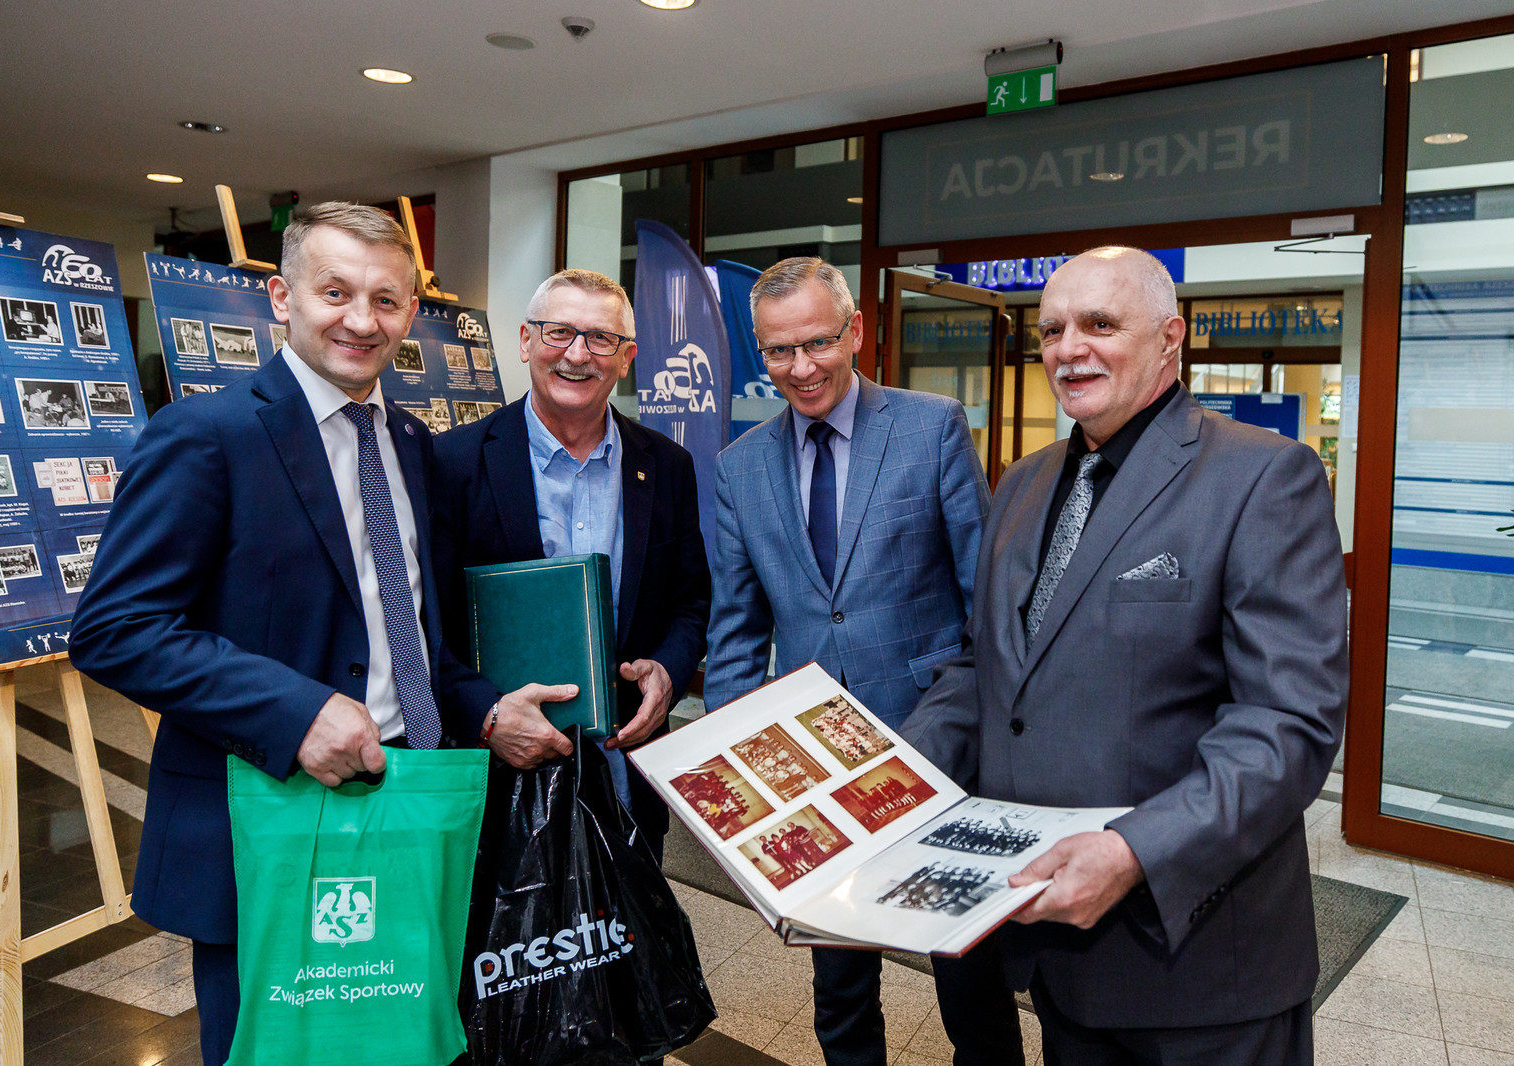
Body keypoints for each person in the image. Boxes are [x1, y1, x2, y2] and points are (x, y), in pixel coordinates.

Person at [69, 202, 568, 1066]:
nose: (362, 321)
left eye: (386, 300)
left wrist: (485, 710)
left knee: (407, 1047)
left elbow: (407, 635)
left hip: (406, 803)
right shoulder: (207, 435)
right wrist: (296, 711)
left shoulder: (411, 443)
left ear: (410, 312)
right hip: (266, 818)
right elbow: (117, 628)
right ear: (282, 297)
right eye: (336, 292)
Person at [903, 246, 1348, 1065]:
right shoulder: (1022, 483)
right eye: (1052, 331)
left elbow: (1287, 724)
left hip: (1201, 967)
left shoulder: (1263, 476)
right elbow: (983, 671)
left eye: (1100, 324)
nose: (1070, 349)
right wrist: (882, 784)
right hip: (1062, 957)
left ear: (1170, 338)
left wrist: (1134, 851)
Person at [703, 257, 1021, 1066]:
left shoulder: (930, 427)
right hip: (816, 768)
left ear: (856, 332)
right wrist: (732, 784)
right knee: (840, 979)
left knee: (967, 969)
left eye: (818, 342)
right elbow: (737, 628)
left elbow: (984, 601)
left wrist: (972, 733)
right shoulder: (740, 465)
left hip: (938, 748)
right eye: (779, 351)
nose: (801, 367)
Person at [431, 268, 709, 856]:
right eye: (559, 332)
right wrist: (486, 714)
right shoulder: (451, 463)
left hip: (626, 773)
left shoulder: (668, 466)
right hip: (497, 780)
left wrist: (668, 670)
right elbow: (423, 624)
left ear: (627, 358)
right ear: (526, 340)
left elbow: (690, 601)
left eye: (601, 338)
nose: (577, 355)